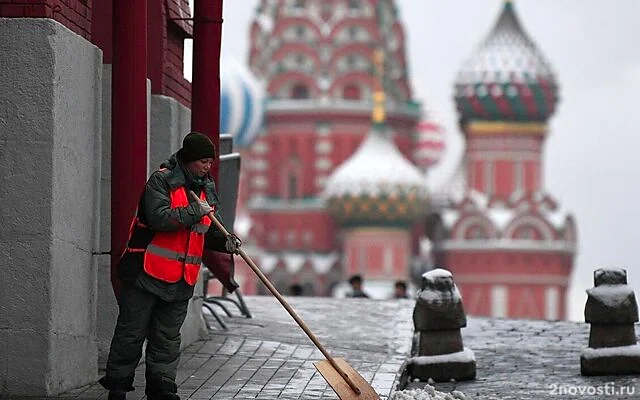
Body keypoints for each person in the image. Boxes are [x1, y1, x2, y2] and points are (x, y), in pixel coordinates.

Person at [99, 132, 242, 400]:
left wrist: (227, 243)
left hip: (181, 279)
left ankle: (161, 388)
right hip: (146, 271)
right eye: (202, 161)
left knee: (167, 339)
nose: (207, 166)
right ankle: (117, 386)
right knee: (131, 332)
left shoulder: (206, 189)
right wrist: (194, 211)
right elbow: (158, 218)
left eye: (210, 162)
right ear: (187, 160)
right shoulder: (161, 181)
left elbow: (210, 230)